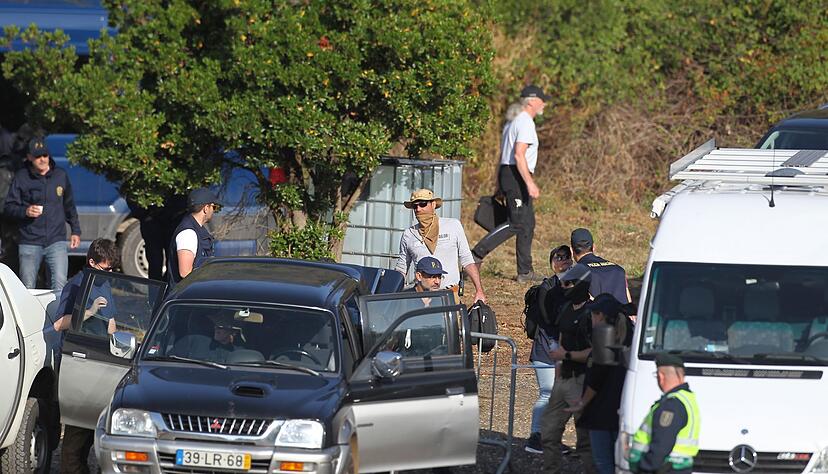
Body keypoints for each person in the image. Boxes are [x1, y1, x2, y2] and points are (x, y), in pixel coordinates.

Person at [51, 238, 119, 474]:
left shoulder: (105, 284)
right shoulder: (75, 286)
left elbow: (111, 324)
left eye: (112, 269)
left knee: (99, 430)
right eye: (106, 268)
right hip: (77, 362)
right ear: (91, 262)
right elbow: (59, 324)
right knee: (74, 438)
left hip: (103, 363)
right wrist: (88, 312)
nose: (110, 273)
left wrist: (121, 346)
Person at [472, 85, 551, 283]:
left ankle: (525, 271)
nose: (545, 104)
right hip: (517, 174)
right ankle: (475, 256)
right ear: (532, 101)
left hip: (510, 173)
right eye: (542, 100)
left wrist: (500, 181)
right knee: (517, 223)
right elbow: (518, 154)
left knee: (528, 223)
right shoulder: (524, 122)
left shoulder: (513, 121)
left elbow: (504, 155)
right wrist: (530, 183)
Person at [566, 293, 633, 474]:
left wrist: (581, 403)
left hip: (601, 414)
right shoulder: (628, 337)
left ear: (600, 316)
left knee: (603, 463)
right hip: (620, 411)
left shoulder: (602, 341)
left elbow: (596, 381)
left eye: (593, 314)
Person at [4, 137, 81, 290]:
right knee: (28, 287)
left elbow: (69, 205)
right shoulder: (21, 177)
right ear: (30, 157)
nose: (42, 159)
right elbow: (9, 207)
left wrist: (75, 230)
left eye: (45, 155)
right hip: (29, 241)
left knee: (59, 285)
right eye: (38, 156)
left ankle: (56, 314)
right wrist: (25, 211)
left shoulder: (60, 175)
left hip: (56, 239)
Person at [542, 264, 597, 473]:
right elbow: (562, 340)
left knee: (584, 440)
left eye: (569, 283)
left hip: (582, 382)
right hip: (563, 381)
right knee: (548, 433)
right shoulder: (565, 309)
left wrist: (564, 356)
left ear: (581, 285)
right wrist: (558, 374)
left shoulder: (591, 313)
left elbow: (594, 353)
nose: (564, 287)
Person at [394, 188, 485, 302]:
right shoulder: (409, 234)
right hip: (421, 298)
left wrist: (479, 291)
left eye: (422, 204)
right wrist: (392, 293)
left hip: (450, 295)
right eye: (415, 206)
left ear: (433, 205)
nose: (418, 209)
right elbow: (402, 268)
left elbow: (467, 259)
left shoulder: (453, 226)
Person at [525, 245, 572, 455]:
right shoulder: (548, 288)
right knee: (547, 393)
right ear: (552, 263)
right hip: (545, 350)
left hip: (565, 350)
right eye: (557, 258)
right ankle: (535, 438)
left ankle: (551, 438)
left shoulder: (574, 284)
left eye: (565, 257)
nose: (561, 261)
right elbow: (548, 319)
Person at [628, 354, 701, 474]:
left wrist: (645, 467)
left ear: (661, 377)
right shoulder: (687, 398)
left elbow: (662, 445)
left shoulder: (671, 405)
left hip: (664, 469)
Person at [168, 188, 220, 285]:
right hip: (185, 296)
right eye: (214, 207)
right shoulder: (188, 233)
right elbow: (185, 272)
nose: (214, 211)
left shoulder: (196, 230)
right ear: (206, 208)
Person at [570, 228, 632, 304]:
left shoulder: (576, 273)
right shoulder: (618, 270)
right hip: (622, 314)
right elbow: (629, 305)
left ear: (571, 250)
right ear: (594, 247)